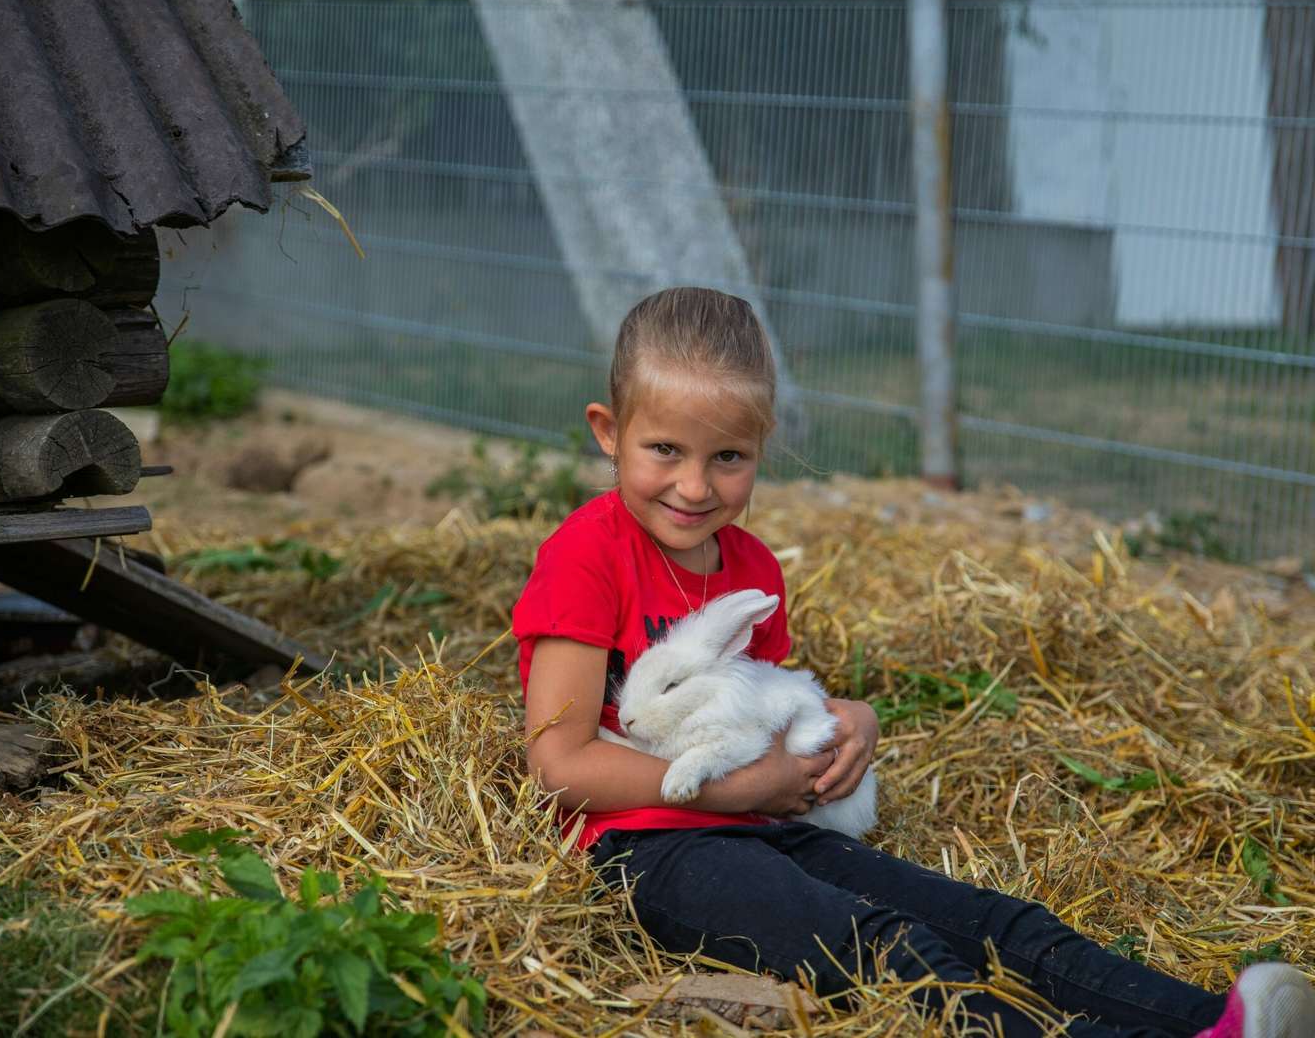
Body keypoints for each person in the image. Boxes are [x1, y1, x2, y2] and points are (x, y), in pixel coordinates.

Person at [511, 286, 1315, 1037]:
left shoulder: (751, 567)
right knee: (886, 949)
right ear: (608, 432)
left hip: (767, 825)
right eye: (664, 450)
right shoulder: (588, 555)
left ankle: (1216, 1022)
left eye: (728, 457)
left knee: (994, 922)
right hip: (649, 850)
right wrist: (736, 787)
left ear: (763, 445)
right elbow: (558, 761)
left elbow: (769, 700)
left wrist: (848, 722)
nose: (694, 485)